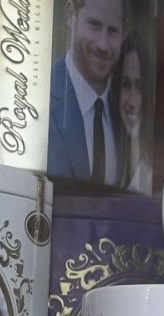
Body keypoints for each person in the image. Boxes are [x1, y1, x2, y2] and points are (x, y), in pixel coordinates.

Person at [49, 0, 128, 186]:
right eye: (94, 25)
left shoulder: (126, 112)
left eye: (113, 31)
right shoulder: (38, 98)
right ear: (71, 15)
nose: (103, 45)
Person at [115, 32, 151, 193]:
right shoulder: (108, 161)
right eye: (125, 85)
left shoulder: (157, 168)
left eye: (140, 88)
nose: (132, 101)